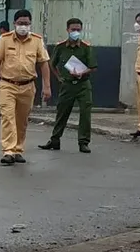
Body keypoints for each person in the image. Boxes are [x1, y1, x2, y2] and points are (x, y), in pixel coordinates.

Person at [0, 9, 51, 165]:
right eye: (20, 23)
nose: (23, 26)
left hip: (28, 86)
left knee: (22, 120)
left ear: (30, 24)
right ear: (14, 24)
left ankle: (18, 149)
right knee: (8, 117)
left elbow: (44, 64)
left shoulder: (36, 41)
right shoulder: (5, 39)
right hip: (7, 85)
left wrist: (47, 86)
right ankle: (8, 151)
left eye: (26, 23)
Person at [40, 18, 97, 153]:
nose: (76, 32)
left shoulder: (86, 47)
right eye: (73, 30)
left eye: (78, 30)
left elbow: (93, 67)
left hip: (83, 84)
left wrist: (83, 72)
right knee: (62, 112)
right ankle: (55, 140)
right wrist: (59, 77)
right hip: (67, 84)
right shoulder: (60, 47)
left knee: (85, 113)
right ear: (67, 30)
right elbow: (52, 64)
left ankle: (83, 142)